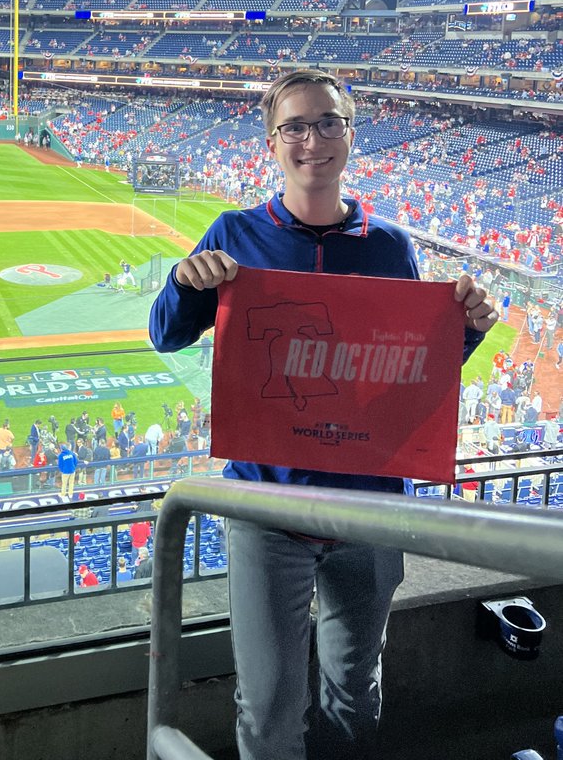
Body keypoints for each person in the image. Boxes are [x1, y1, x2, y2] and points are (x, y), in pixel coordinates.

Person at [149, 69, 497, 760]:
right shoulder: (233, 232)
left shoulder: (390, 246)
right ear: (273, 142)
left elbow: (405, 381)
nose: (314, 139)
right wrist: (184, 282)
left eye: (329, 122)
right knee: (269, 706)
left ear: (350, 134)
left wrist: (469, 329)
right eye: (297, 126)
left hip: (370, 507)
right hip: (266, 505)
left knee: (356, 689)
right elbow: (167, 334)